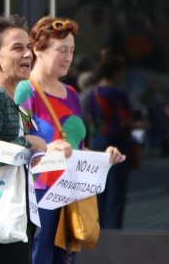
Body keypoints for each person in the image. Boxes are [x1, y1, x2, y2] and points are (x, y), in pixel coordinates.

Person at [14, 16, 126, 264]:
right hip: (40, 194)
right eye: (61, 50)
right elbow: (18, 138)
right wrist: (47, 147)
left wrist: (104, 158)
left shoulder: (73, 94)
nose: (68, 57)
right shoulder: (26, 90)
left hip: (70, 192)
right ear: (37, 50)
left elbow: (79, 147)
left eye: (72, 50)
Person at [0, 14, 72, 264]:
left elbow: (11, 154)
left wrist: (40, 153)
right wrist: (27, 145)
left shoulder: (12, 99)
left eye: (27, 47)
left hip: (12, 229)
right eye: (17, 48)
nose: (28, 54)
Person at [83, 52, 133, 229]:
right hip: (117, 142)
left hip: (98, 141)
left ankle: (98, 226)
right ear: (117, 72)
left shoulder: (91, 93)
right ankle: (114, 229)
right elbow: (126, 120)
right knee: (116, 188)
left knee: (99, 187)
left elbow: (89, 118)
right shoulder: (118, 93)